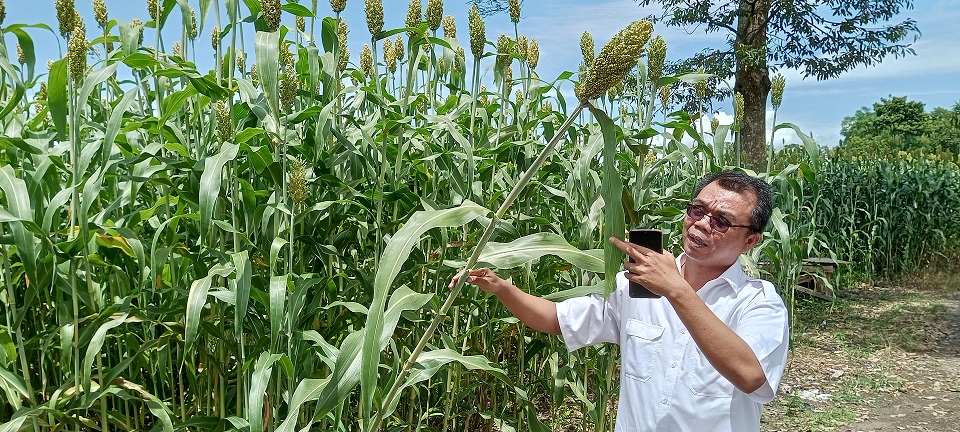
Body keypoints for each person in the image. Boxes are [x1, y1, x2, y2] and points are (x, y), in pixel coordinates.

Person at [450, 170, 789, 432]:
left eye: (722, 221)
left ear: (750, 240)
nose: (701, 223)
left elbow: (750, 375)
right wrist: (502, 288)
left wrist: (676, 289)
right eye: (697, 210)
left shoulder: (758, 303)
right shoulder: (637, 285)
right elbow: (558, 319)